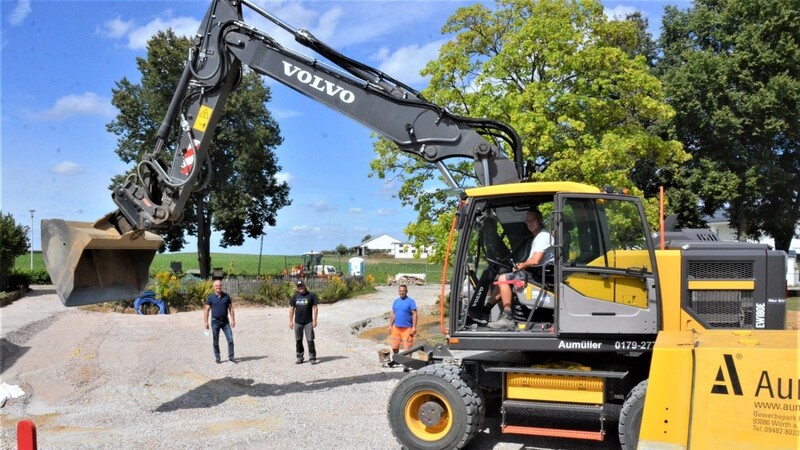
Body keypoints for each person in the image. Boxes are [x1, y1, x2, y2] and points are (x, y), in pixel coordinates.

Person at [487, 208, 553, 330]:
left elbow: (535, 260)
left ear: (540, 220)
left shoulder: (543, 236)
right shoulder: (538, 236)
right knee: (504, 279)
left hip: (540, 275)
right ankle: (486, 309)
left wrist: (521, 266)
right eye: (527, 221)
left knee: (503, 278)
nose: (529, 224)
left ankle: (508, 317)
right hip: (537, 272)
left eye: (532, 220)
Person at [204, 279, 236, 363]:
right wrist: (205, 322)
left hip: (225, 322)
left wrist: (233, 320)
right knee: (215, 341)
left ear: (221, 286)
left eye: (219, 285)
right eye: (216, 286)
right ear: (213, 287)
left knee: (230, 340)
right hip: (215, 322)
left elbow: (231, 309)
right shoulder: (210, 297)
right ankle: (217, 357)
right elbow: (206, 310)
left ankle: (231, 357)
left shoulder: (226, 296)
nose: (218, 287)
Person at [289, 280, 319, 364]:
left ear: (305, 286)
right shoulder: (295, 297)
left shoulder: (311, 296)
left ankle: (312, 358)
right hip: (298, 322)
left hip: (308, 322)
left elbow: (315, 308)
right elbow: (291, 309)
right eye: (299, 286)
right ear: (297, 287)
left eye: (301, 286)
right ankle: (300, 357)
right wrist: (290, 321)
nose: (300, 287)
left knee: (310, 340)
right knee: (298, 341)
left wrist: (315, 320)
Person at [387, 284, 417, 367]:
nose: (402, 292)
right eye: (400, 291)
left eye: (403, 291)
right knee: (394, 345)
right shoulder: (396, 301)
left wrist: (414, 327)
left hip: (407, 328)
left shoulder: (411, 301)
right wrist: (390, 325)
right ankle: (396, 360)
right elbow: (393, 314)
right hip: (396, 327)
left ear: (406, 291)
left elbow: (414, 314)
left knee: (407, 347)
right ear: (398, 291)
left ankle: (408, 364)